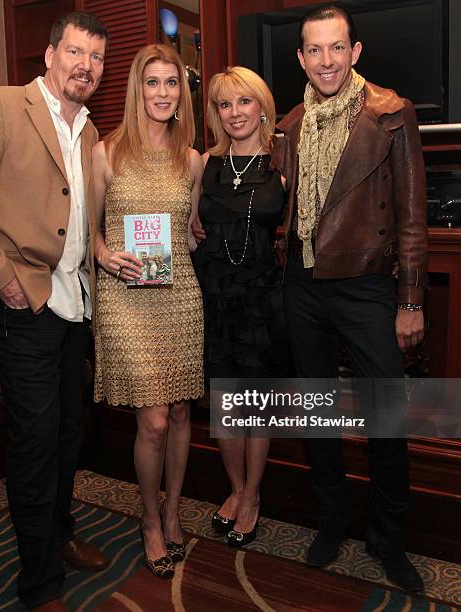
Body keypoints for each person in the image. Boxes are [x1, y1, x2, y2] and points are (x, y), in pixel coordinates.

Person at [0, 12, 110, 611]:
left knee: (66, 436)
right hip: (22, 304)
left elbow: (81, 221)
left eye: (97, 58)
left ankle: (58, 538)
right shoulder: (0, 105)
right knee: (36, 443)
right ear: (50, 53)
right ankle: (38, 586)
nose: (86, 66)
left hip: (71, 307)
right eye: (76, 52)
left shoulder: (87, 131)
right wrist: (1, 279)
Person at [271, 4, 427, 592]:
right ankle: (331, 522)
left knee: (387, 419)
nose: (326, 60)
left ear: (355, 52)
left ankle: (388, 540)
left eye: (337, 48)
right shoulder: (290, 124)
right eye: (315, 50)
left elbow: (412, 216)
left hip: (366, 287)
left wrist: (410, 300)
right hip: (302, 286)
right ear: (302, 58)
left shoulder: (392, 113)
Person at [91, 44, 204, 579]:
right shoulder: (106, 153)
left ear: (183, 92)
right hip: (127, 299)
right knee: (154, 420)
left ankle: (176, 508)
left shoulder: (192, 160)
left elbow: (188, 233)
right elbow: (86, 233)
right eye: (152, 83)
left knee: (181, 412)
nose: (163, 93)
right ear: (137, 90)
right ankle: (149, 519)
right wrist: (106, 256)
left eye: (172, 83)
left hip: (178, 292)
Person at [193, 66, 289, 548]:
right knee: (225, 404)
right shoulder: (203, 164)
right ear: (216, 112)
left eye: (244, 102)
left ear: (261, 106)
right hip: (213, 295)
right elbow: (188, 224)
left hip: (261, 297)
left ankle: (252, 495)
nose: (235, 113)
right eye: (225, 104)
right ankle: (235, 488)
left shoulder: (283, 161)